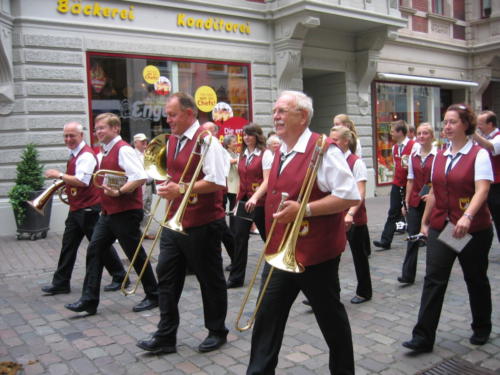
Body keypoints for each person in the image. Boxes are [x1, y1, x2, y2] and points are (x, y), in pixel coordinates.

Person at [247, 91, 360, 374]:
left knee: (330, 319)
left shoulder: (324, 149)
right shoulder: (279, 151)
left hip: (315, 255)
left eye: (283, 111)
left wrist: (304, 210)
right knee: (266, 319)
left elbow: (348, 196)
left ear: (303, 116)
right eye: (275, 111)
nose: (276, 116)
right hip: (280, 252)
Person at [137, 93, 229, 355]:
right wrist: (168, 185)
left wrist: (181, 188)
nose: (168, 120)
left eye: (173, 114)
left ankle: (216, 330)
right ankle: (166, 335)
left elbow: (218, 180)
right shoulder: (174, 140)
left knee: (209, 279)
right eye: (167, 115)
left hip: (203, 222)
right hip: (174, 221)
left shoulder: (207, 141)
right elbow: (176, 176)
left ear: (190, 114)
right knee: (166, 279)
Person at [403, 104, 494, 353]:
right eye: (445, 122)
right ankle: (422, 337)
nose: (447, 126)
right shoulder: (440, 155)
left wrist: (467, 216)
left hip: (472, 230)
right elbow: (434, 190)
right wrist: (425, 222)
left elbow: (482, 189)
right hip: (442, 227)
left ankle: (482, 326)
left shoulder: (478, 154)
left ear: (466, 124)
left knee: (475, 278)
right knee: (434, 278)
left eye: (453, 122)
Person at [65, 113, 159, 315]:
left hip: (125, 211)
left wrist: (119, 191)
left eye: (102, 128)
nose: (98, 132)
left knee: (136, 254)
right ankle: (89, 300)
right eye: (96, 128)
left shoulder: (123, 149)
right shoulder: (104, 152)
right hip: (109, 212)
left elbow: (140, 177)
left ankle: (154, 294)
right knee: (95, 250)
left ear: (115, 129)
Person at [41, 122, 126, 295]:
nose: (68, 139)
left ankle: (120, 276)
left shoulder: (86, 155)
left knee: (100, 246)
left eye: (72, 135)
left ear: (81, 136)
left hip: (89, 208)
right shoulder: (74, 154)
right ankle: (61, 282)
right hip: (77, 208)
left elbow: (82, 181)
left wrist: (59, 175)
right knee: (68, 246)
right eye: (66, 136)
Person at [330, 125, 372, 304]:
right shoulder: (332, 160)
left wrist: (351, 214)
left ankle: (364, 291)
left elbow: (360, 192)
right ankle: (330, 292)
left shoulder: (357, 162)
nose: (333, 143)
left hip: (353, 217)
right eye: (331, 140)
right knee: (331, 256)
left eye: (336, 140)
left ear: (346, 141)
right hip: (335, 215)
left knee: (359, 256)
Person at [227, 123, 272, 288]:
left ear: (257, 136)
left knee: (268, 237)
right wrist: (237, 202)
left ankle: (277, 270)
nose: (246, 138)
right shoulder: (242, 155)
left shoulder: (265, 154)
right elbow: (240, 180)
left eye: (249, 135)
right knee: (239, 237)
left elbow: (268, 180)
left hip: (260, 202)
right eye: (244, 135)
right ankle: (236, 278)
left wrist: (255, 197)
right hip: (245, 201)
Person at [398, 123, 436, 284]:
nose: (421, 136)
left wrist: (433, 195)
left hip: (432, 200)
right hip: (415, 200)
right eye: (419, 133)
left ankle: (433, 272)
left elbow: (439, 180)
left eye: (425, 133)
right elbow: (410, 180)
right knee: (413, 235)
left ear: (432, 136)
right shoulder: (413, 155)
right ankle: (408, 274)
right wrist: (406, 201)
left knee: (433, 236)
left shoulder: (438, 155)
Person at [373, 120, 417, 250]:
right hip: (397, 184)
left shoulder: (414, 146)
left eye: (393, 131)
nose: (391, 133)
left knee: (412, 212)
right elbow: (396, 166)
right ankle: (385, 240)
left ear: (400, 132)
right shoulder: (395, 148)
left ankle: (417, 237)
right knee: (393, 212)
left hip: (410, 184)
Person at [473, 110, 500, 242]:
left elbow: (491, 147)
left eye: (480, 124)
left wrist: (473, 134)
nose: (478, 127)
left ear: (490, 124)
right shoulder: (483, 138)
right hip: (484, 184)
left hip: (497, 186)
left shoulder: (498, 137)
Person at [133, 133, 155, 240]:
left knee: (147, 208)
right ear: (135, 142)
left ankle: (144, 231)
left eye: (145, 141)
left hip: (149, 184)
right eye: (142, 142)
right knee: (138, 208)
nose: (145, 143)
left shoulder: (148, 153)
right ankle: (136, 231)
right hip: (139, 185)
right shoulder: (132, 154)